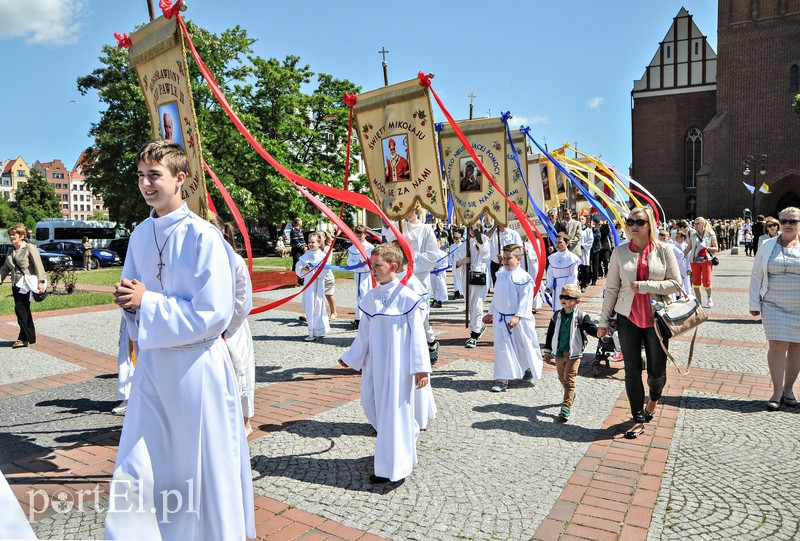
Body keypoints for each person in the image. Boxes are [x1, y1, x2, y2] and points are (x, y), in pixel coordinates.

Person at [105, 140, 254, 539]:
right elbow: (135, 293)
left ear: (180, 178)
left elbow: (213, 312)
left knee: (198, 467)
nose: (145, 184)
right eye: (141, 175)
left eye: (155, 175)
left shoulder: (204, 237)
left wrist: (146, 302)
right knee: (140, 464)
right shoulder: (139, 234)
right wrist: (130, 303)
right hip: (154, 367)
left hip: (196, 369)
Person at [338, 242, 431, 483]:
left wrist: (421, 368)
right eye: (371, 264)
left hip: (398, 367)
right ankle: (404, 442)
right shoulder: (371, 298)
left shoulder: (408, 298)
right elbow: (364, 334)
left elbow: (418, 336)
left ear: (393, 266)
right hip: (374, 365)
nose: (372, 269)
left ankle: (393, 467)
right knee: (371, 404)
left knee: (394, 413)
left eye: (377, 265)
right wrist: (351, 358)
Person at [598, 205, 680, 439]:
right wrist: (604, 321)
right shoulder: (619, 252)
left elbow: (676, 283)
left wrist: (646, 286)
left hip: (656, 319)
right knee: (631, 370)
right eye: (630, 221)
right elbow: (612, 288)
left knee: (657, 372)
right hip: (628, 318)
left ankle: (653, 399)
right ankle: (637, 417)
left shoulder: (664, 250)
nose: (633, 226)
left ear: (650, 224)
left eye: (639, 222)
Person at [748, 206, 800, 411]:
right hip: (773, 304)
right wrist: (754, 303)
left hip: (798, 305)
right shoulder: (767, 245)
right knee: (777, 345)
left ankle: (789, 389)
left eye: (793, 221)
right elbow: (756, 275)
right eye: (784, 221)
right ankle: (777, 390)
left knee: (796, 347)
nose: (787, 224)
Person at [213, 217, 256, 435]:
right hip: (207, 331)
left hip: (231, 330)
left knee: (239, 372)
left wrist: (224, 329)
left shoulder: (235, 261)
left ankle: (243, 423)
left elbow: (242, 301)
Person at [482, 244, 543, 392]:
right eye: (504, 258)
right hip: (501, 319)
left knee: (523, 347)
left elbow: (526, 300)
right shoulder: (501, 274)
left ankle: (527, 367)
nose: (505, 261)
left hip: (518, 321)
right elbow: (497, 296)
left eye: (509, 258)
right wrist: (491, 312)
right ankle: (502, 378)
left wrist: (518, 316)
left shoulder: (524, 278)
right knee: (502, 349)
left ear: (519, 259)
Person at [384, 207, 441, 361]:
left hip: (418, 276)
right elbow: (390, 244)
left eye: (410, 209)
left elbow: (432, 255)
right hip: (401, 275)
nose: (407, 212)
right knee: (401, 312)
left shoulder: (425, 229)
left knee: (421, 314)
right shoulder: (397, 226)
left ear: (416, 209)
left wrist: (410, 257)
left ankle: (431, 342)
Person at [542, 284, 598, 421]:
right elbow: (550, 334)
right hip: (559, 352)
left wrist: (600, 333)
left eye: (568, 297)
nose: (563, 299)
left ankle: (566, 406)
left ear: (577, 301)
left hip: (574, 353)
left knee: (569, 380)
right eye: (562, 296)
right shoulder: (556, 315)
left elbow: (591, 329)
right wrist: (548, 351)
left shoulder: (581, 316)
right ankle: (571, 395)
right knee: (562, 378)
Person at [0, 224, 47, 348]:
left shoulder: (29, 247)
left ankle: (26, 337)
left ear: (21, 236)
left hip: (27, 284)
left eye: (13, 234)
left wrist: (41, 282)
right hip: (16, 284)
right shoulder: (10, 251)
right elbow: (5, 268)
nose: (11, 237)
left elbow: (39, 265)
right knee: (23, 310)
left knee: (20, 309)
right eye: (10, 234)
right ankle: (24, 337)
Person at [457, 224, 490, 348]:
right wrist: (462, 261)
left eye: (473, 229)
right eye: (470, 228)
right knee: (469, 304)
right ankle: (479, 326)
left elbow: (484, 250)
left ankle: (474, 334)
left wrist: (476, 232)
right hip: (466, 275)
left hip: (478, 273)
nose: (471, 231)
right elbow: (456, 262)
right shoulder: (464, 244)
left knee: (477, 303)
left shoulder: (483, 240)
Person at [295, 231, 330, 341]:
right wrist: (304, 269)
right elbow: (298, 267)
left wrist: (314, 270)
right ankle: (310, 331)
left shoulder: (323, 256)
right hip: (308, 285)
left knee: (317, 306)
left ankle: (317, 330)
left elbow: (325, 271)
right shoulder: (306, 255)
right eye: (309, 242)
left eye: (313, 242)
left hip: (318, 285)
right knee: (309, 305)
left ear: (319, 243)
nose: (310, 244)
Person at [684, 216, 719, 307]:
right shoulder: (693, 235)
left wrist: (707, 248)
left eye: (697, 223)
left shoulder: (711, 234)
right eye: (695, 223)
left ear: (703, 224)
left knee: (707, 281)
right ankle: (699, 301)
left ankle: (709, 297)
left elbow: (716, 248)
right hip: (695, 261)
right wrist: (681, 256)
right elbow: (689, 247)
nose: (695, 225)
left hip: (706, 260)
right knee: (696, 281)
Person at [347, 225, 375, 329]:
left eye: (360, 235)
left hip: (366, 274)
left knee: (365, 294)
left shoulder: (370, 247)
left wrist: (365, 263)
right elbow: (349, 261)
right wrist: (356, 264)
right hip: (358, 273)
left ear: (365, 235)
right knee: (360, 295)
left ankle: (363, 318)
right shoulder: (352, 248)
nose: (358, 237)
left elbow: (372, 261)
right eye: (357, 235)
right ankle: (360, 318)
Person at [545, 232, 580, 310]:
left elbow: (573, 276)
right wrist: (548, 287)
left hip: (567, 287)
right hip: (556, 287)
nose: (557, 245)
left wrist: (570, 292)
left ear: (567, 242)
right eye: (556, 242)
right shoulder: (552, 258)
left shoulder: (572, 258)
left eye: (560, 242)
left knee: (567, 309)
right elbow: (550, 275)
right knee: (557, 309)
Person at [486, 222, 522, 287]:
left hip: (510, 265)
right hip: (495, 264)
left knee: (510, 286)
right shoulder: (493, 233)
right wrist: (494, 227)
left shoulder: (514, 234)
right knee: (498, 287)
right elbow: (484, 239)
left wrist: (505, 257)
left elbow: (518, 250)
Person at [322, 231, 338, 320]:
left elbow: (327, 261)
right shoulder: (316, 248)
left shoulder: (327, 248)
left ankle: (333, 312)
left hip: (327, 275)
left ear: (325, 238)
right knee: (316, 295)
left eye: (320, 237)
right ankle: (312, 312)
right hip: (318, 276)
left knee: (329, 294)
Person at [430, 237, 449, 308]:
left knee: (440, 286)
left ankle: (440, 300)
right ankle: (435, 298)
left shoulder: (444, 253)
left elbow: (445, 263)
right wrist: (432, 269)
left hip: (440, 273)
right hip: (432, 272)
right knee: (434, 286)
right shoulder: (431, 253)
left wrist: (439, 269)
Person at [289, 217, 307, 285]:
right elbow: (296, 242)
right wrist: (303, 248)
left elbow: (302, 240)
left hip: (302, 250)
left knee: (302, 264)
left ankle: (301, 279)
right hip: (297, 251)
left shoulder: (300, 230)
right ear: (298, 222)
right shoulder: (293, 231)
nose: (302, 223)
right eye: (301, 221)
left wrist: (305, 247)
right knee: (296, 264)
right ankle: (295, 280)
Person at [449, 230, 464, 299]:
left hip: (462, 263)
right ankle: (456, 292)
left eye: (458, 239)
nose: (457, 241)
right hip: (455, 263)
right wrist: (451, 263)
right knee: (455, 278)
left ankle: (463, 292)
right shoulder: (452, 246)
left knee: (462, 278)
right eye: (455, 239)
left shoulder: (463, 245)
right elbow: (451, 255)